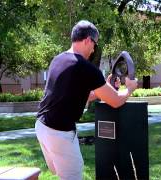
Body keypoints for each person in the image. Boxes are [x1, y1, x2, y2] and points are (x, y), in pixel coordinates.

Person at [35, 20, 138, 180]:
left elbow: (78, 95)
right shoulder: (87, 68)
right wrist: (130, 88)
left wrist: (105, 88)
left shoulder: (58, 59)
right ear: (88, 40)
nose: (93, 49)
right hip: (59, 132)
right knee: (73, 175)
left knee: (61, 173)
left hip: (42, 126)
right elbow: (116, 101)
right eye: (94, 44)